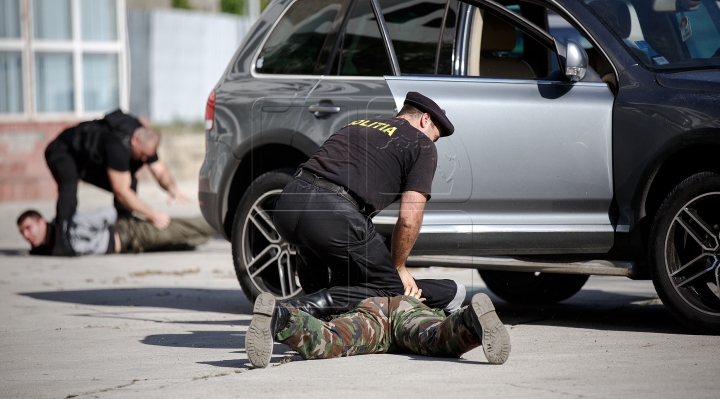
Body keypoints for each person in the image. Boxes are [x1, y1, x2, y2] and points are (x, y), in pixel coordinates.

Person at [272, 92, 462, 317]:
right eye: (435, 136)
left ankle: (307, 320)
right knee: (390, 288)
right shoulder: (422, 144)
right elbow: (409, 218)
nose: (433, 142)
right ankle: (292, 312)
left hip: (288, 202)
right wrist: (398, 268)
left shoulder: (359, 124)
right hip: (332, 213)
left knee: (338, 275)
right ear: (425, 120)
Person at [44, 110, 189, 256]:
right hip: (62, 151)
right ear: (135, 140)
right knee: (69, 185)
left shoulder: (144, 139)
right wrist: (152, 215)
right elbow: (121, 192)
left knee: (130, 181)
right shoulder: (117, 146)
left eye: (148, 156)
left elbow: (159, 170)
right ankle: (61, 240)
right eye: (143, 154)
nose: (145, 159)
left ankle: (123, 226)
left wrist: (172, 189)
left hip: (89, 160)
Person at [245, 289, 511, 368]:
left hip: (371, 310)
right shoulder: (441, 288)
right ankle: (470, 319)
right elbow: (452, 290)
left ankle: (280, 317)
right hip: (410, 310)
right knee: (434, 338)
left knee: (332, 338)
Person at [17, 208, 215, 255]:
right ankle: (226, 231)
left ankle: (227, 223)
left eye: (28, 228)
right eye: (22, 232)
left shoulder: (69, 225)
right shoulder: (50, 247)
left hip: (131, 233)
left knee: (186, 229)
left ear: (41, 222)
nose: (27, 235)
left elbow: (109, 212)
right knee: (190, 243)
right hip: (132, 247)